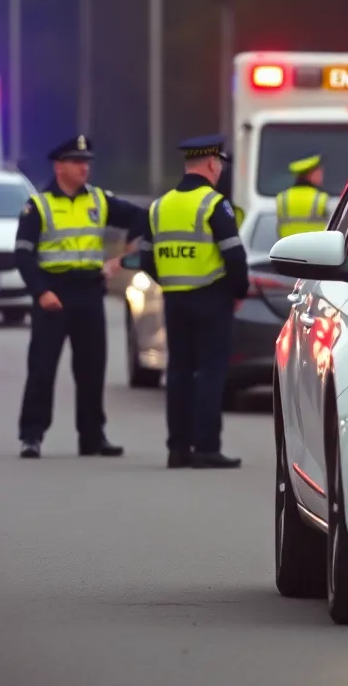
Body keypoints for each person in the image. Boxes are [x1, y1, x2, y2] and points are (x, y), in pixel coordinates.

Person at [14, 134, 148, 459]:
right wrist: (40, 291)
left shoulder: (99, 200)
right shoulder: (39, 206)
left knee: (91, 369)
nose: (84, 168)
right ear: (59, 166)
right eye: (76, 162)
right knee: (42, 369)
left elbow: (141, 217)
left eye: (86, 162)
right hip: (53, 297)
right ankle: (32, 436)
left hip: (89, 293)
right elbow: (22, 254)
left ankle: (92, 436)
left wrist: (123, 257)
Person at [140, 135, 248, 469]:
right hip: (212, 298)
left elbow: (145, 259)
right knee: (211, 373)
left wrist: (171, 281)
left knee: (179, 372)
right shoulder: (214, 204)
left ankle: (178, 448)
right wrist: (238, 291)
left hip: (175, 300)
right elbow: (234, 254)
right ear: (213, 164)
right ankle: (206, 448)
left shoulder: (159, 206)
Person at [274, 152, 331, 240]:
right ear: (309, 175)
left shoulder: (282, 198)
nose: (321, 175)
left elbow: (278, 228)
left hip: (286, 250)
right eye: (318, 172)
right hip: (315, 249)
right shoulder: (321, 198)